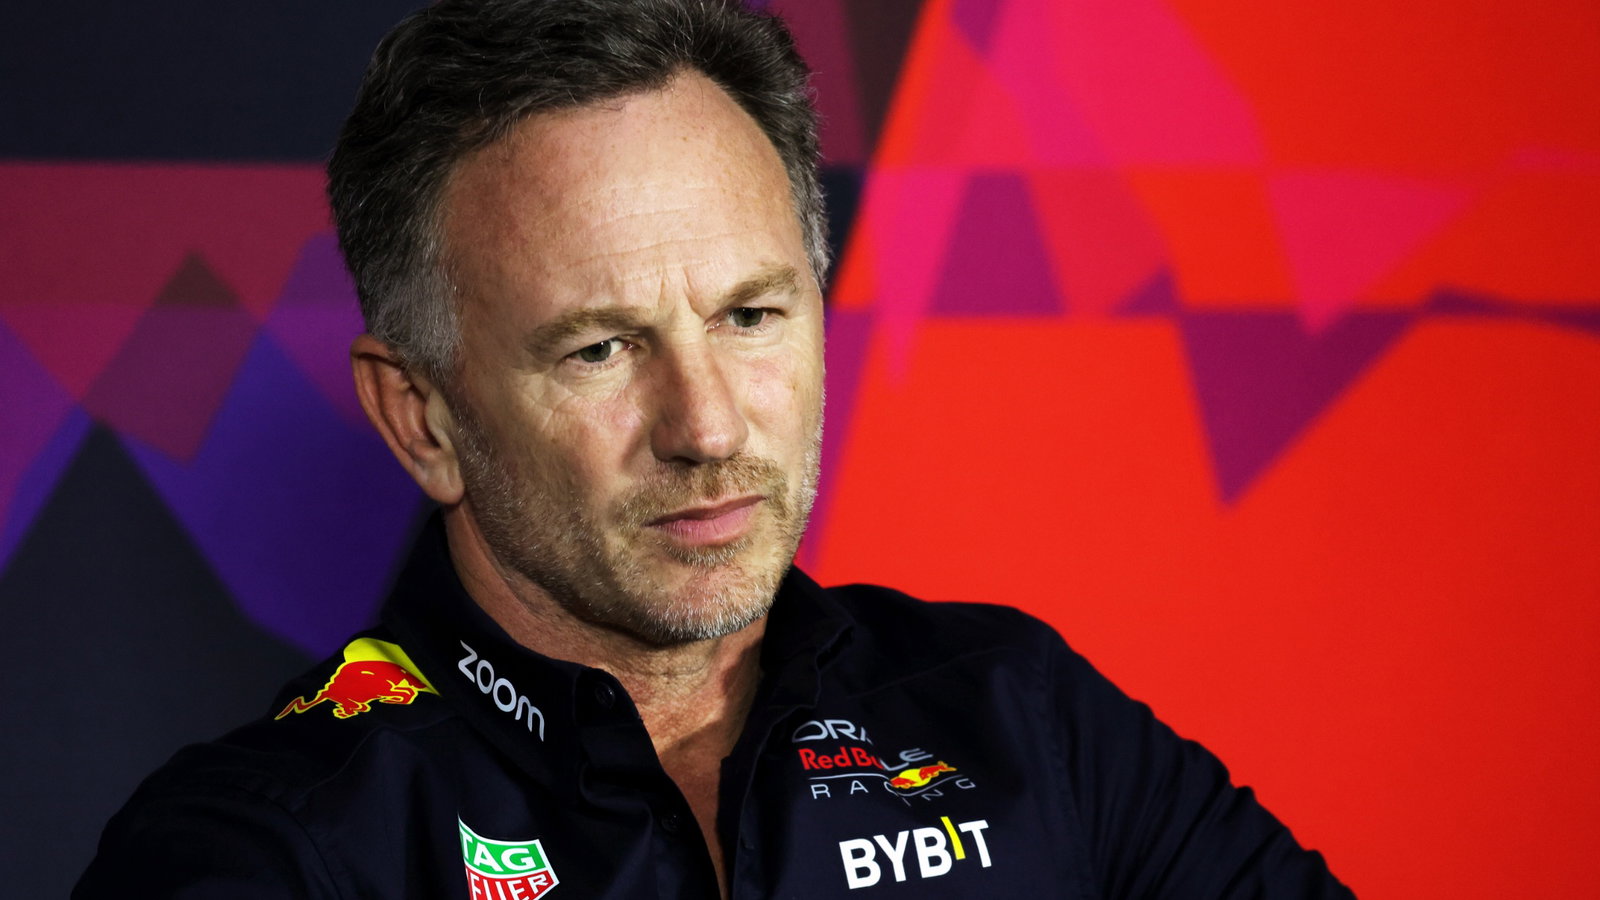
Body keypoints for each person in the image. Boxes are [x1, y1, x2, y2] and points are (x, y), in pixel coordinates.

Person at [77, 1, 1354, 897]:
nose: (708, 427)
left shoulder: (1023, 718)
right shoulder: (268, 850)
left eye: (749, 317)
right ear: (423, 417)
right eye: (598, 349)